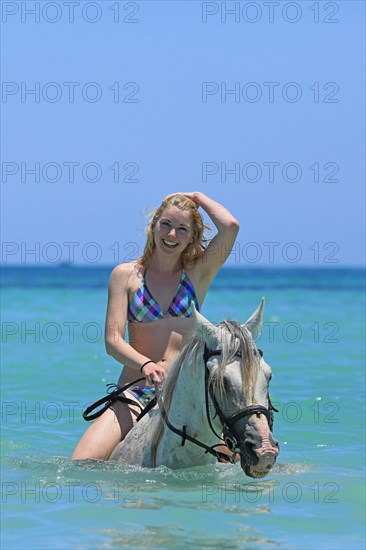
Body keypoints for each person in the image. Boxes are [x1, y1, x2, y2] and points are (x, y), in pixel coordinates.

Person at [71, 192, 239, 460]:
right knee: (81, 462)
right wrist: (145, 365)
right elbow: (113, 341)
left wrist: (196, 196)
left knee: (242, 463)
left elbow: (230, 227)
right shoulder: (125, 276)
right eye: (166, 224)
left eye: (182, 229)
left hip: (186, 394)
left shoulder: (198, 274)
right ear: (154, 226)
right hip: (136, 392)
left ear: (192, 237)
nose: (172, 234)